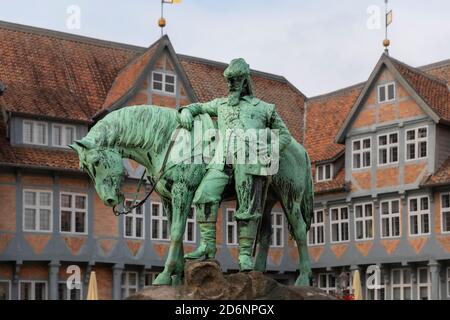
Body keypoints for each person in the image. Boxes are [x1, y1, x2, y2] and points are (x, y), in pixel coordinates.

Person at [178, 58, 292, 271]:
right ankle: (206, 246)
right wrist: (185, 111)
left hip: (250, 162)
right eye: (228, 81)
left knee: (248, 208)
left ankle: (246, 255)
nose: (231, 85)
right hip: (222, 162)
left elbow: (285, 135)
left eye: (235, 80)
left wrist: (270, 149)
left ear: (245, 81)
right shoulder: (219, 104)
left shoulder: (265, 108)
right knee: (204, 194)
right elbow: (197, 107)